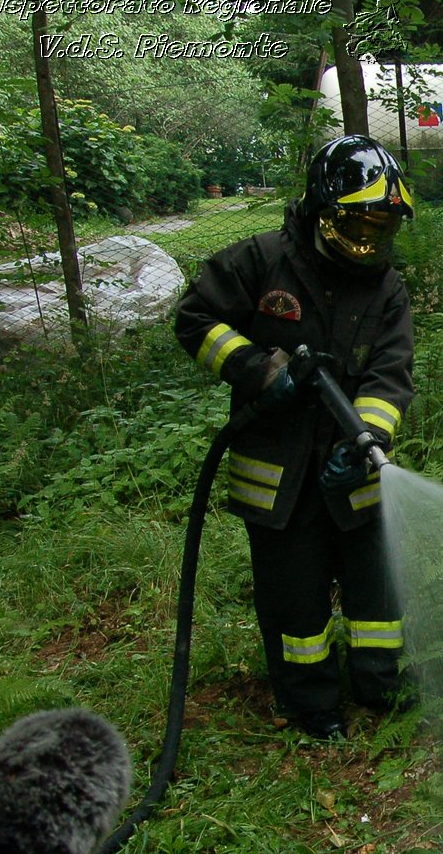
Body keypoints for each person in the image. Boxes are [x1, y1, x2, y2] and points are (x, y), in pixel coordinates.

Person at [174, 135, 417, 740]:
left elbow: (390, 375)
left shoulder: (384, 287)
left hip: (350, 465)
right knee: (294, 599)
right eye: (358, 225)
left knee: (375, 591)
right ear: (320, 212)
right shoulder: (259, 262)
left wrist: (362, 440)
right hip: (276, 471)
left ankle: (380, 685)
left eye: (382, 228)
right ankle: (314, 704)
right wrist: (260, 372)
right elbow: (195, 319)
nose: (370, 242)